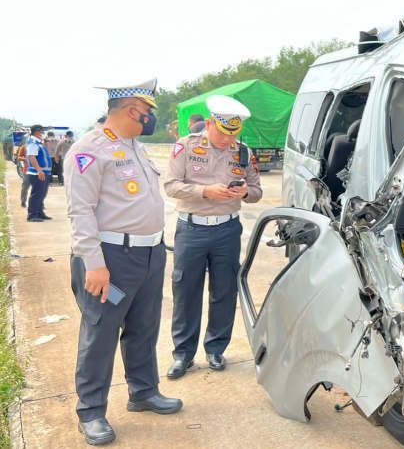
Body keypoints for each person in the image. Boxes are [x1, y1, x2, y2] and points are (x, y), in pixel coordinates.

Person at [64, 79, 182, 446]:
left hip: (149, 254)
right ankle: (91, 411)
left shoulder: (134, 147)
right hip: (111, 260)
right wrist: (94, 264)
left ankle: (143, 391)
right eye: (148, 113)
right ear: (133, 110)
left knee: (144, 328)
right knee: (101, 333)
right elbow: (80, 211)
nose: (150, 120)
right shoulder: (88, 150)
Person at [164, 95, 261, 378]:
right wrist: (205, 191)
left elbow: (256, 192)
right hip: (191, 229)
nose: (225, 141)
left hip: (227, 230)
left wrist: (245, 193)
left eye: (232, 135)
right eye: (221, 133)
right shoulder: (186, 146)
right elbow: (170, 186)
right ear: (209, 123)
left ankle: (216, 349)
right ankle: (183, 354)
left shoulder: (243, 152)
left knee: (224, 291)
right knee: (186, 292)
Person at [25, 125, 52, 222]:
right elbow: (32, 157)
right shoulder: (33, 143)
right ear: (37, 132)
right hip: (37, 173)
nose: (42, 134)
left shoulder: (39, 143)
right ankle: (32, 215)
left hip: (44, 172)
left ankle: (39, 213)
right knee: (37, 194)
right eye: (41, 132)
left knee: (42, 194)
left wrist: (46, 143)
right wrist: (39, 170)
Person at [17, 140, 30, 208]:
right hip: (27, 170)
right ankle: (23, 201)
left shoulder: (38, 147)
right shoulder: (24, 147)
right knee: (25, 187)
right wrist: (25, 159)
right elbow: (19, 157)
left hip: (37, 171)